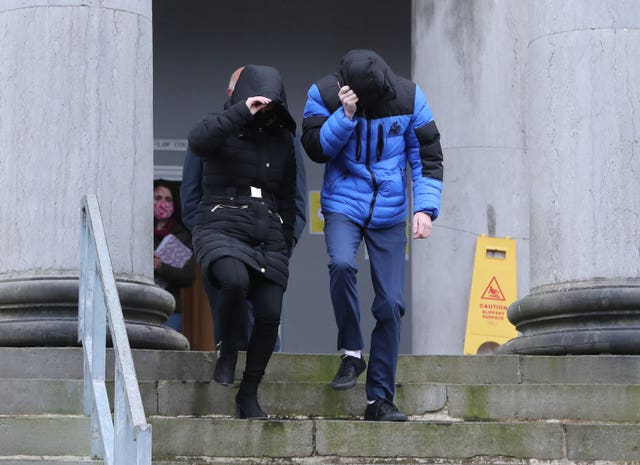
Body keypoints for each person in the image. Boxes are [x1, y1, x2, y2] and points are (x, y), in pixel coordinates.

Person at [301, 49, 444, 421]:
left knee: (391, 304)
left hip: (391, 212)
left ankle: (379, 400)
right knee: (342, 264)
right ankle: (351, 352)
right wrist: (345, 116)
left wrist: (424, 209)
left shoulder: (410, 97)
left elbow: (426, 155)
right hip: (343, 204)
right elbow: (316, 149)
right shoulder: (323, 94)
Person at [181, 66, 307, 382]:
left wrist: (283, 244)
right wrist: (205, 235)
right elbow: (192, 193)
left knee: (265, 314)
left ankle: (254, 383)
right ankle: (228, 354)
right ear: (234, 95)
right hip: (220, 235)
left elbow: (294, 199)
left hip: (267, 242)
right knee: (232, 289)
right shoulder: (213, 129)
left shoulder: (283, 140)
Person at [153, 179, 196, 332]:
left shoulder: (183, 235)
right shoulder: (139, 230)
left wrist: (161, 267)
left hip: (171, 308)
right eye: (158, 198)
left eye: (168, 199)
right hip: (140, 304)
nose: (162, 203)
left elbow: (189, 276)